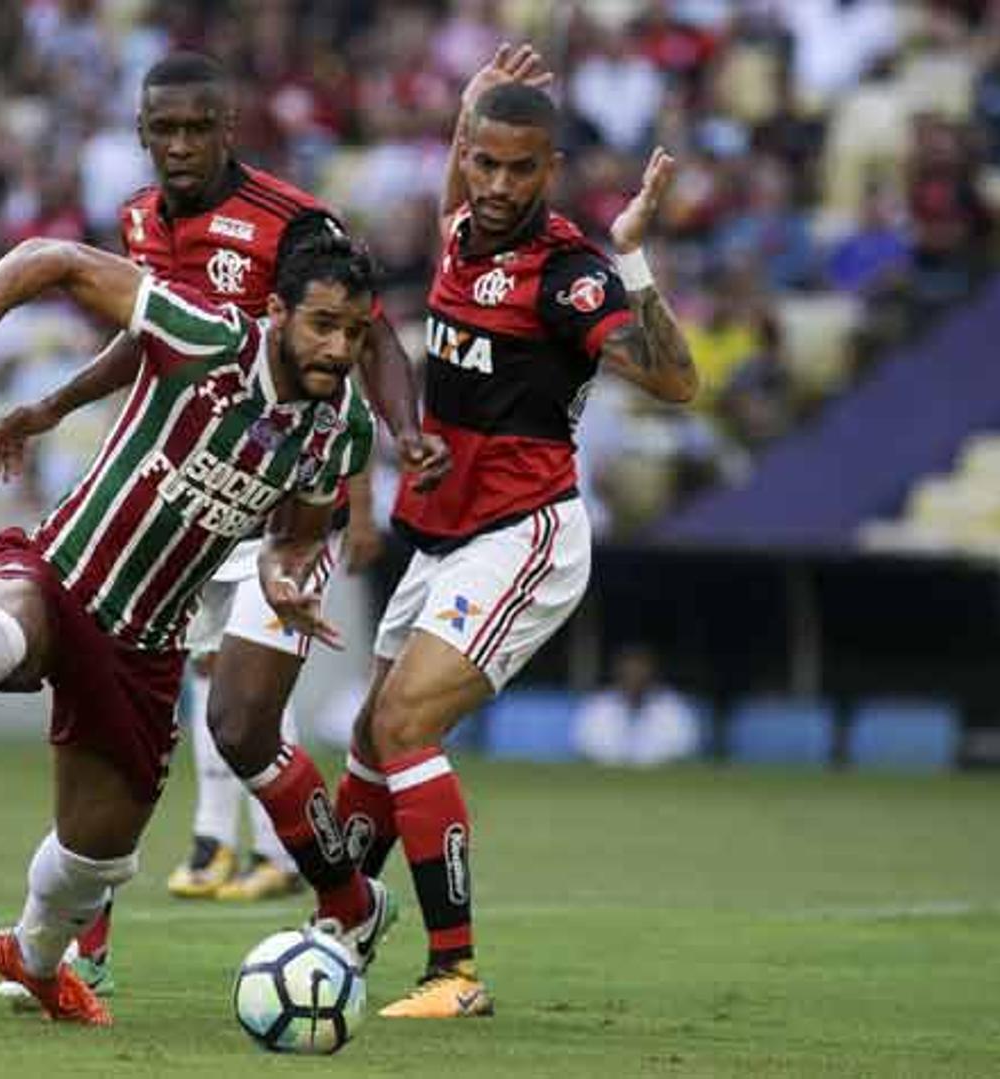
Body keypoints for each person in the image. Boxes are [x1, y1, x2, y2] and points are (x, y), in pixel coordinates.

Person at [0, 52, 447, 1000]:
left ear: (230, 129)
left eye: (197, 128)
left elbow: (306, 524)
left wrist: (295, 567)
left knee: (120, 833)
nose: (338, 345)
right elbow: (79, 282)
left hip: (154, 628)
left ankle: (49, 954)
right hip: (73, 564)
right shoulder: (196, 315)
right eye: (164, 129)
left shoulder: (330, 391)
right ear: (274, 315)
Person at [323, 46, 701, 1020]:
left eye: (517, 168)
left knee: (405, 723)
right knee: (369, 731)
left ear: (550, 168)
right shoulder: (459, 232)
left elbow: (675, 381)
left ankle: (455, 972)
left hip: (522, 534)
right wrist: (466, 105)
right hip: (443, 530)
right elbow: (461, 172)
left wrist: (631, 253)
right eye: (482, 161)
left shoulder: (569, 277)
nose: (494, 184)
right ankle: (343, 925)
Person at [574, 645, 702, 766]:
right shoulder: (596, 706)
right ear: (618, 672)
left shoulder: (674, 708)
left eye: (640, 669)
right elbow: (585, 748)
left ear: (652, 672)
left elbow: (684, 749)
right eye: (629, 670)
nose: (635, 676)